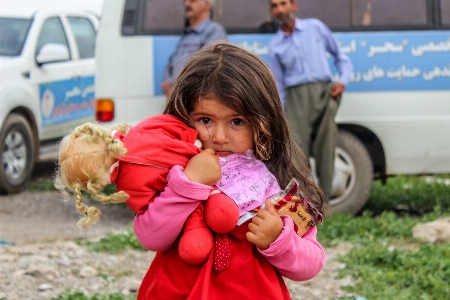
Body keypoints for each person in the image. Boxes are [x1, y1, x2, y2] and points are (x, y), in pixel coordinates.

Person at [134, 42, 327, 299]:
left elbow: (312, 263)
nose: (220, 136)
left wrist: (278, 238)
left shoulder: (272, 186)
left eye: (237, 121)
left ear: (263, 122)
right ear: (182, 116)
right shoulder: (174, 171)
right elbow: (150, 237)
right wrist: (188, 184)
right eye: (206, 120)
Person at [267, 0, 353, 200]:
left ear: (293, 5)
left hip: (324, 92)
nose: (279, 9)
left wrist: (343, 80)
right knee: (297, 150)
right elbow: (279, 83)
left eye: (283, 3)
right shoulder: (275, 46)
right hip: (296, 98)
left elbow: (340, 56)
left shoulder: (315, 27)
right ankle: (308, 202)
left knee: (326, 145)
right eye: (274, 6)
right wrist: (280, 112)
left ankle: (326, 200)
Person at [161, 0, 227, 95]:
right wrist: (168, 84)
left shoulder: (214, 31)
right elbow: (171, 63)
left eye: (192, 1)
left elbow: (211, 67)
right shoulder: (186, 35)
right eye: (185, 1)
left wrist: (172, 83)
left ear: (207, 5)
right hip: (178, 96)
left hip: (195, 97)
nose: (187, 4)